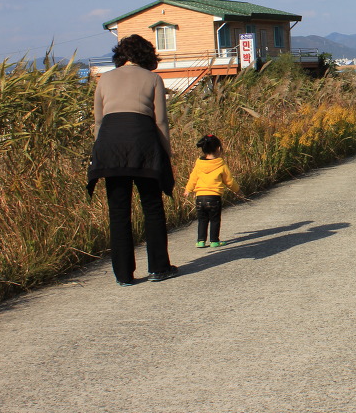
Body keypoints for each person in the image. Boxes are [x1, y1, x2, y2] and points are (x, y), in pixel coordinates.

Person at [87, 34, 177, 286]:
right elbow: (160, 121)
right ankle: (159, 268)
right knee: (152, 206)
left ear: (121, 55)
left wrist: (100, 151)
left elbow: (98, 121)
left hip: (109, 145)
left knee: (118, 212)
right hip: (143, 143)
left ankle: (124, 275)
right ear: (148, 56)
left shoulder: (104, 79)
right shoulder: (153, 79)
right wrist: (166, 153)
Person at [184, 134, 243, 248]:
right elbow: (229, 181)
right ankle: (214, 241)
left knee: (202, 220)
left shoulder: (199, 164)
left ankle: (201, 241)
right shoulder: (221, 164)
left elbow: (193, 178)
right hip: (214, 198)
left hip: (200, 198)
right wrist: (238, 190)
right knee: (215, 220)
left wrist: (188, 189)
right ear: (219, 149)